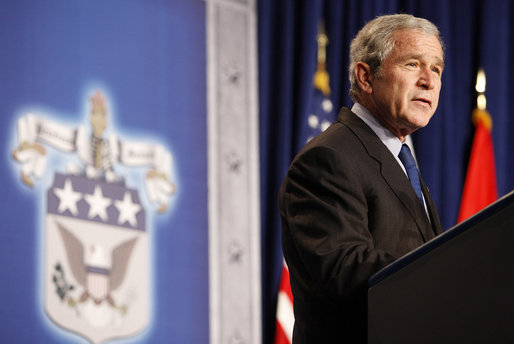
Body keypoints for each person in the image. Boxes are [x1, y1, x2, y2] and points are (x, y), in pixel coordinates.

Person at [278, 14, 445, 343]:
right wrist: (449, 270)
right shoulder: (328, 159)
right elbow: (344, 269)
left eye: (437, 68)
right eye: (413, 64)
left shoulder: (401, 160)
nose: (429, 80)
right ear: (366, 77)